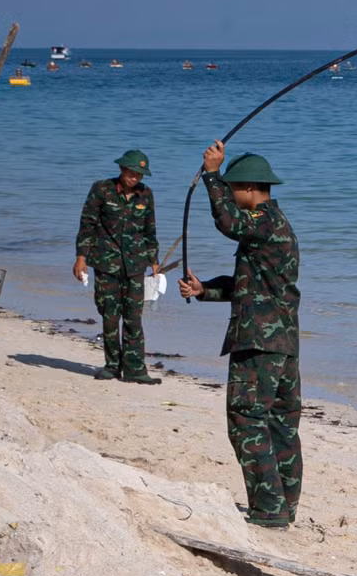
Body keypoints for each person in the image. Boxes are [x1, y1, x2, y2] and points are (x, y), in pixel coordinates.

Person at [178, 142, 302, 528]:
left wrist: (212, 175)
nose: (230, 195)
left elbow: (228, 223)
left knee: (247, 420)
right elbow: (250, 284)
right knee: (279, 423)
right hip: (282, 343)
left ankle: (269, 510)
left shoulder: (264, 220)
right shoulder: (271, 228)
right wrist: (205, 290)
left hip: (260, 344)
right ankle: (283, 506)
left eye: (233, 188)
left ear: (249, 187)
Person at [73, 149, 160, 383]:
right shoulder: (101, 189)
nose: (135, 178)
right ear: (122, 169)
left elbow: (149, 230)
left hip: (135, 266)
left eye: (139, 175)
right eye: (132, 173)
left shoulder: (146, 195)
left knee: (133, 318)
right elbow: (87, 224)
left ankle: (135, 369)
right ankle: (112, 366)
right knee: (110, 316)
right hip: (106, 264)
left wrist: (154, 261)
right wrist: (81, 257)